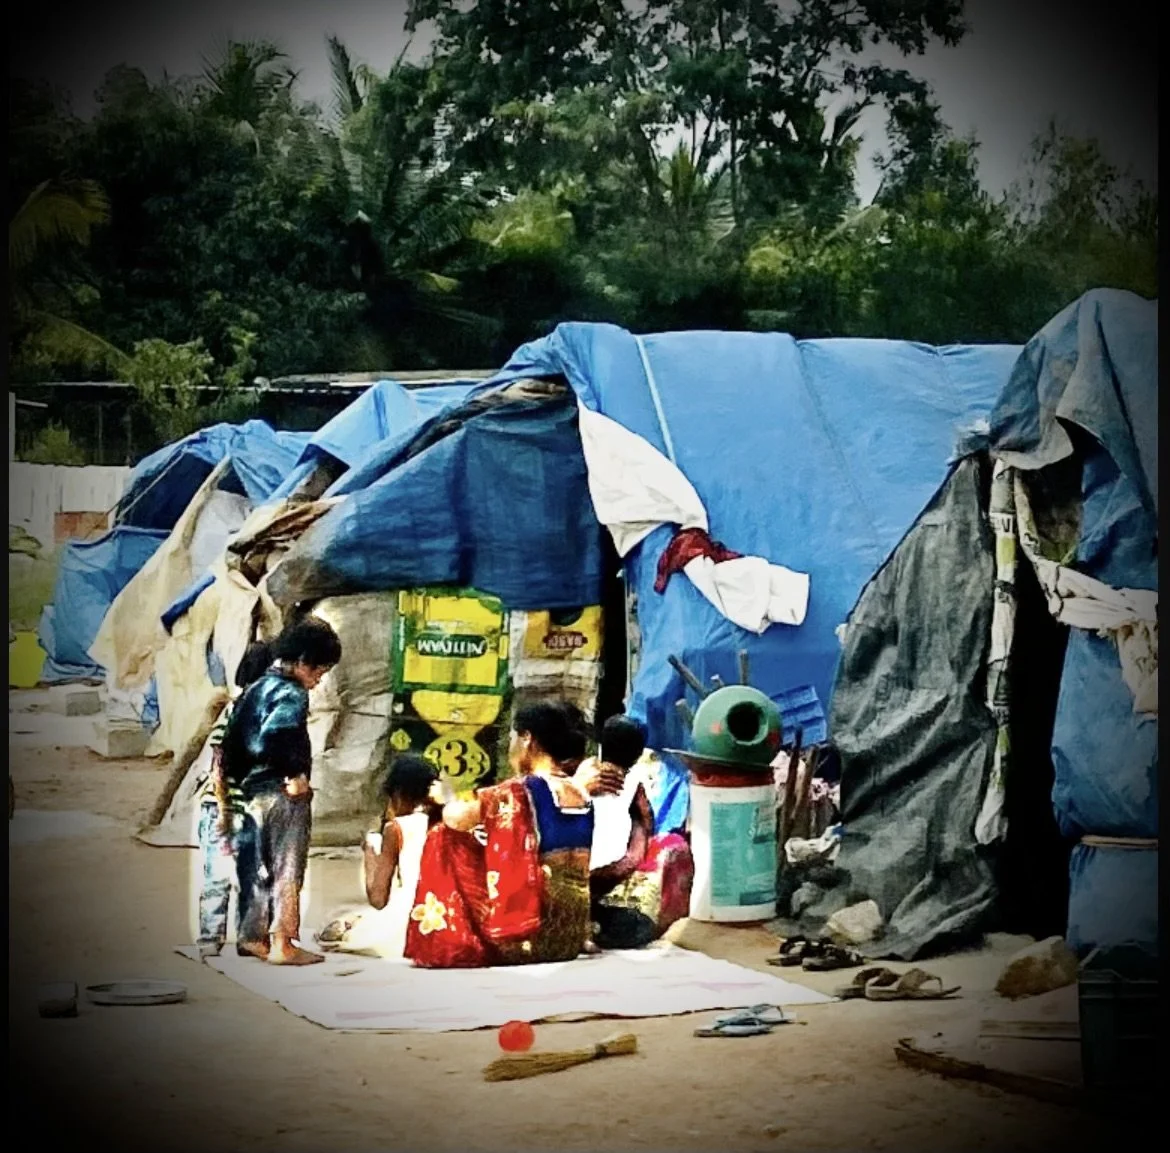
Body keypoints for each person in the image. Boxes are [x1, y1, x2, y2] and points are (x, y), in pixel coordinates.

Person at [404, 700, 598, 968]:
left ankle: (452, 941)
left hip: (528, 941)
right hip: (569, 940)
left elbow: (455, 818)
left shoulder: (517, 790)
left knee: (442, 836)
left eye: (513, 738)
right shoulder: (582, 792)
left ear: (527, 739)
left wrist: (445, 797)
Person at [221, 614, 342, 966]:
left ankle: (250, 937)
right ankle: (283, 942)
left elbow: (229, 746)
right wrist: (294, 775)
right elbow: (279, 733)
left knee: (256, 868)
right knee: (288, 868)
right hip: (281, 791)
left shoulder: (255, 689)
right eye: (318, 672)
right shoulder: (290, 694)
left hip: (251, 792)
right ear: (303, 661)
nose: (318, 682)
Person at [315, 754, 444, 959]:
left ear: (397, 794)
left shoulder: (398, 829)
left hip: (410, 922)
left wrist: (370, 854)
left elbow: (378, 899)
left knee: (341, 924)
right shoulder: (451, 823)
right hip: (449, 917)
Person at [586, 714, 695, 950]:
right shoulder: (633, 785)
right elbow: (646, 825)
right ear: (637, 756)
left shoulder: (583, 775)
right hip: (605, 877)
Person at [194, 640, 273, 956]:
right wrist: (225, 808)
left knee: (252, 876)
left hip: (247, 808)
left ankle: (246, 938)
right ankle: (210, 940)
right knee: (219, 877)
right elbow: (219, 764)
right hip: (222, 806)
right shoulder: (239, 711)